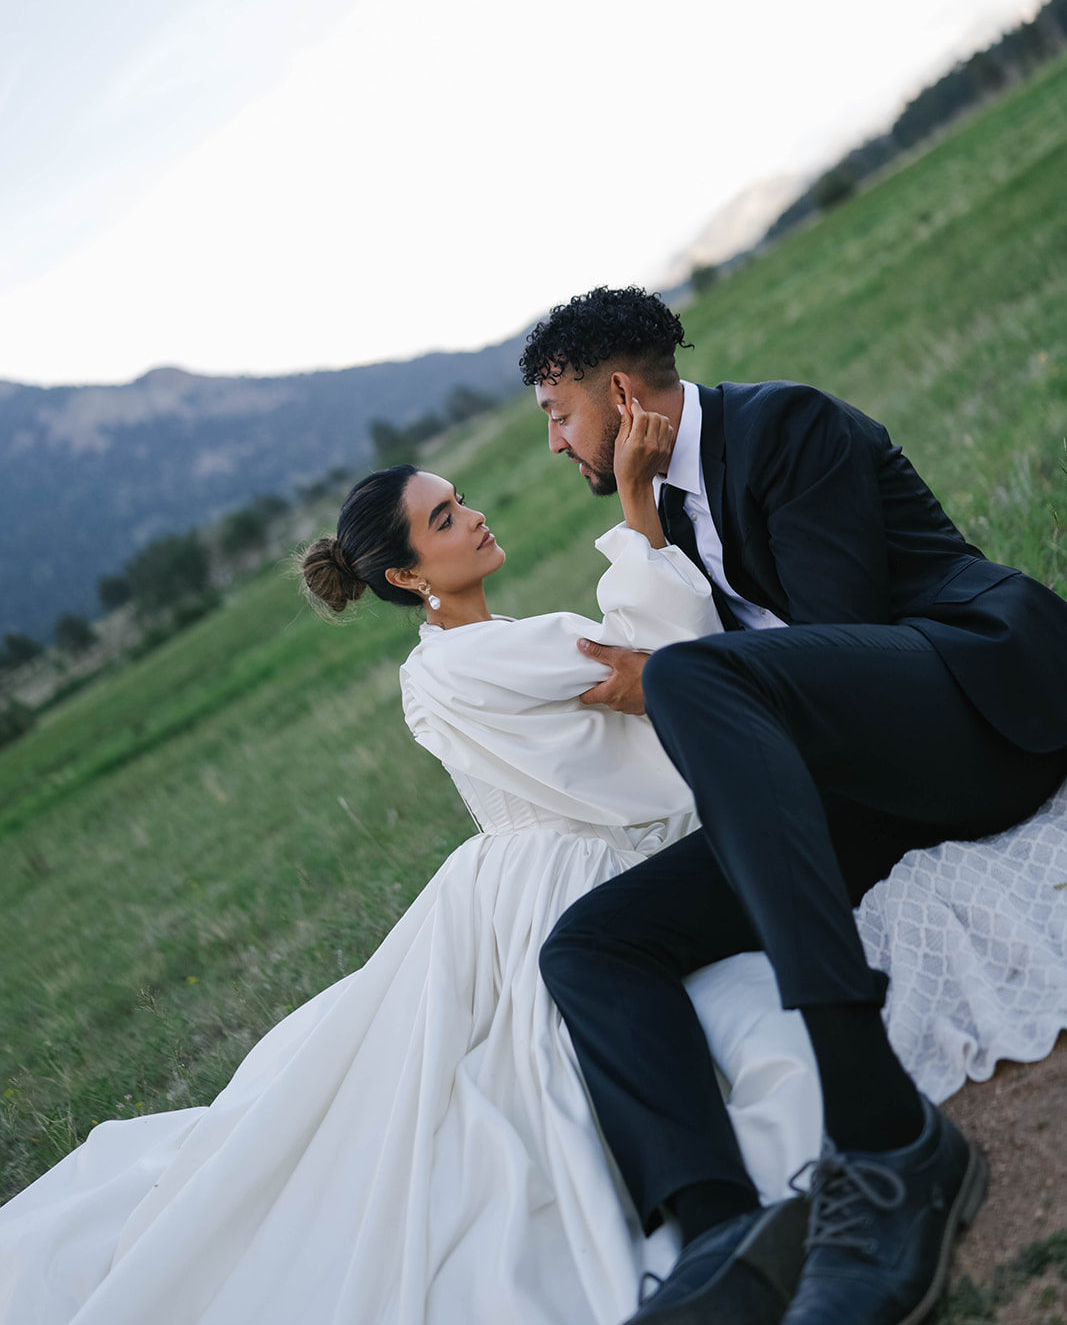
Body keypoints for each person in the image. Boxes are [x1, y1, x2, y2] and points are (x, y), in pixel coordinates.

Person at [0, 429, 824, 1325]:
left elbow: (635, 680)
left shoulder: (441, 663)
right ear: (405, 575)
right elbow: (676, 661)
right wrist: (635, 511)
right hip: (563, 869)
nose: (472, 516)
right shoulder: (505, 651)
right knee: (532, 1080)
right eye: (444, 518)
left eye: (460, 499)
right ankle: (707, 1218)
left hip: (500, 874)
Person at [525, 285, 1067, 1325]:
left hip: (976, 711)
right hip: (860, 784)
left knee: (687, 677)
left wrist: (676, 673)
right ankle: (721, 1231)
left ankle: (883, 1137)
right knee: (589, 945)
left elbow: (840, 638)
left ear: (622, 393)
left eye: (558, 415)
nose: (554, 442)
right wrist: (642, 526)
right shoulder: (667, 500)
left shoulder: (787, 426)